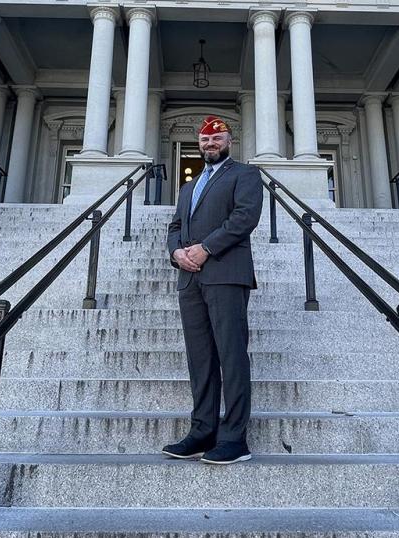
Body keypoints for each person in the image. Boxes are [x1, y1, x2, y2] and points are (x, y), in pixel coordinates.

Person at [162, 115, 263, 465]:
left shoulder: (245, 175)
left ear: (229, 140)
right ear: (198, 145)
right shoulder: (188, 187)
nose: (210, 144)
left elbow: (245, 218)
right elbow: (175, 225)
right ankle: (203, 429)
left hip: (225, 273)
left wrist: (205, 248)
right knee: (200, 358)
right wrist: (176, 252)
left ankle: (234, 438)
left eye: (217, 138)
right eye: (205, 140)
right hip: (189, 279)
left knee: (231, 354)